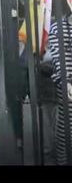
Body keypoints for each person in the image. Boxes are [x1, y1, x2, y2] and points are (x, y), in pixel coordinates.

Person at [48, 12, 72, 165]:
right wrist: (67, 81)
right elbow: (59, 61)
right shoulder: (59, 28)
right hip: (68, 92)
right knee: (65, 135)